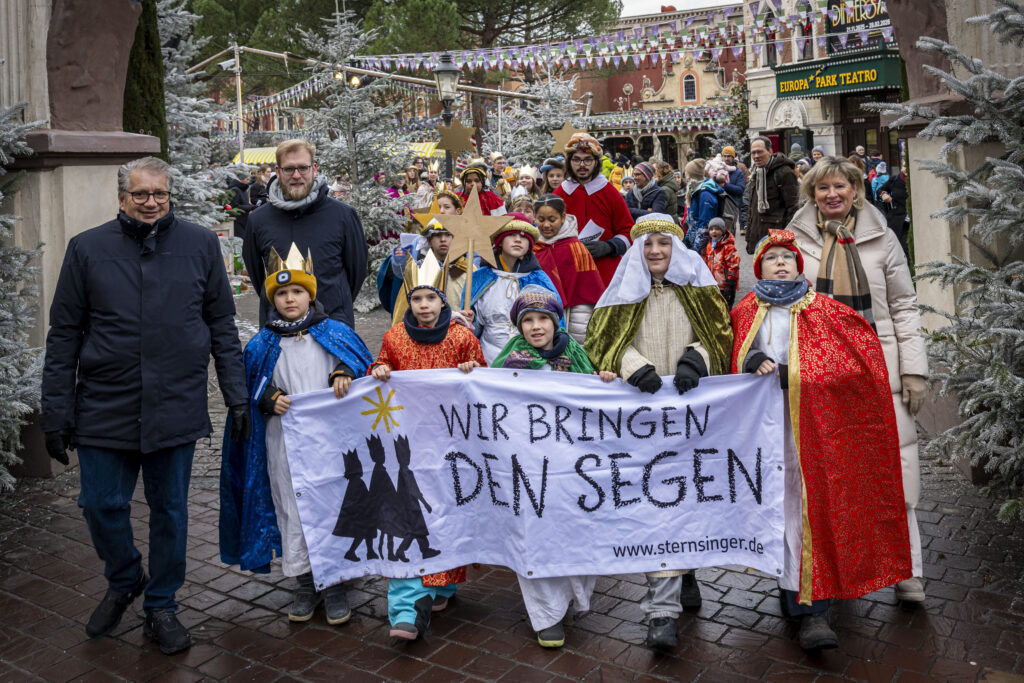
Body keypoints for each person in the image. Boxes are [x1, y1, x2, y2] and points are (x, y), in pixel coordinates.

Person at [41, 156, 249, 654]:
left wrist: (236, 395)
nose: (151, 202)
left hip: (174, 401)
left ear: (169, 195)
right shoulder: (87, 249)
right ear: (122, 198)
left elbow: (222, 323)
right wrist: (56, 411)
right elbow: (64, 334)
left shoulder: (200, 244)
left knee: (170, 512)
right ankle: (125, 575)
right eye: (140, 194)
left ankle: (161, 604)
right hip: (104, 404)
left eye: (159, 193)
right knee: (99, 503)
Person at [731, 230, 912, 650]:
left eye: (787, 258)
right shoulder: (745, 311)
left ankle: (813, 609)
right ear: (758, 267)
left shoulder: (825, 312)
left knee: (813, 509)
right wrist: (749, 358)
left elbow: (847, 369)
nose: (780, 263)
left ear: (799, 265)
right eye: (771, 258)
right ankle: (791, 592)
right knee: (780, 509)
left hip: (815, 432)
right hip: (764, 434)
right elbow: (730, 357)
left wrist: (792, 376)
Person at [584, 213, 733, 650]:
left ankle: (687, 572)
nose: (655, 252)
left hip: (691, 413)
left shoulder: (700, 291)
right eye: (647, 245)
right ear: (636, 250)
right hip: (642, 413)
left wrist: (697, 358)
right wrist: (634, 367)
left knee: (692, 495)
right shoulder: (621, 293)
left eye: (663, 245)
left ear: (676, 248)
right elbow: (602, 340)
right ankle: (662, 610)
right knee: (658, 502)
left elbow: (722, 336)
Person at [786, 157, 929, 603]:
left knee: (892, 470)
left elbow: (905, 305)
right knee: (823, 473)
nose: (832, 195)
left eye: (840, 187)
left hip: (877, 367)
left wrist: (914, 369)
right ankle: (825, 571)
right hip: (815, 372)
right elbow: (776, 303)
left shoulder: (883, 239)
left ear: (855, 190)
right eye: (823, 188)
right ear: (812, 193)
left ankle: (908, 568)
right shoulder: (793, 241)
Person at [220, 243, 372, 624]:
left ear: (310, 295)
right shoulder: (262, 343)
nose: (290, 299)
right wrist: (268, 397)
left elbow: (363, 367)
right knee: (293, 504)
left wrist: (345, 373)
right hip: (282, 441)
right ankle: (305, 581)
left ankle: (334, 582)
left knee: (333, 502)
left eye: (297, 292)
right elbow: (248, 387)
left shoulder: (334, 332)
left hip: (332, 442)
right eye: (283, 293)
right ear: (273, 299)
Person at [370, 260, 486, 641]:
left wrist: (473, 367)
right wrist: (380, 368)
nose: (423, 305)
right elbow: (382, 365)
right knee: (409, 514)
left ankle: (443, 583)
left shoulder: (461, 337)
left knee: (447, 511)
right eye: (416, 298)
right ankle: (406, 607)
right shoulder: (395, 338)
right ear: (408, 302)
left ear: (442, 301)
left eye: (430, 298)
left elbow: (483, 378)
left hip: (452, 443)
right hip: (408, 442)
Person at [489, 286, 612, 648]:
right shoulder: (508, 360)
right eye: (528, 320)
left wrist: (603, 382)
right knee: (535, 534)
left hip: (570, 466)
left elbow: (593, 405)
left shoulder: (576, 355)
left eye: (543, 318)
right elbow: (488, 400)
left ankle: (569, 595)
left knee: (573, 529)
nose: (536, 326)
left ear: (556, 322)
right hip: (527, 467)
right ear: (519, 326)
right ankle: (546, 614)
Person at [243, 139, 368, 327]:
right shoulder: (258, 220)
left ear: (314, 169)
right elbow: (257, 275)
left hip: (333, 327)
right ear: (278, 172)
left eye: (303, 168)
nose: (296, 175)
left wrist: (335, 303)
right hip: (278, 331)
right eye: (288, 169)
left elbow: (356, 272)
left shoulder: (343, 215)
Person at [467, 214, 562, 362]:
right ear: (499, 241)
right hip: (488, 356)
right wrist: (469, 321)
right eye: (511, 235)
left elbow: (555, 321)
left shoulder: (538, 279)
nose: (518, 239)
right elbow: (472, 326)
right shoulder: (480, 278)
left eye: (524, 237)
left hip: (529, 358)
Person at [554, 133, 634, 286]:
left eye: (588, 159)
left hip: (606, 274)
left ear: (596, 162)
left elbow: (628, 231)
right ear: (569, 162)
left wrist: (609, 246)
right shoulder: (559, 195)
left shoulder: (610, 193)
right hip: (569, 273)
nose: (582, 165)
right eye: (576, 159)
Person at [532, 194, 605, 343]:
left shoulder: (576, 247)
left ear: (563, 217)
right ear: (534, 218)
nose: (546, 225)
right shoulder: (533, 248)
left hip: (576, 316)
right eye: (541, 220)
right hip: (539, 313)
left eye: (552, 220)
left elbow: (587, 290)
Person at [745, 135, 800, 255]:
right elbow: (752, 208)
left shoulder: (784, 172)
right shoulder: (756, 173)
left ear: (770, 151)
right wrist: (749, 236)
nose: (756, 156)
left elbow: (794, 207)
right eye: (753, 153)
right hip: (759, 237)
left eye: (760, 152)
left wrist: (784, 238)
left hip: (777, 238)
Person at [701, 217, 740, 308]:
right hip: (712, 284)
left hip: (725, 285)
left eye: (717, 229)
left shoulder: (728, 247)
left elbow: (733, 266)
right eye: (711, 229)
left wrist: (731, 284)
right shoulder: (709, 245)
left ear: (723, 231)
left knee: (725, 308)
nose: (714, 231)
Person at [685, 171, 725, 255]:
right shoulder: (695, 191)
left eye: (687, 173)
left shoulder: (705, 194)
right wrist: (686, 241)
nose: (686, 177)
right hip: (695, 241)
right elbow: (693, 222)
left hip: (702, 247)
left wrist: (695, 250)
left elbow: (705, 227)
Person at [877, 162, 910, 260]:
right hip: (898, 220)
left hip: (915, 220)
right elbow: (880, 190)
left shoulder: (918, 179)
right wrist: (884, 195)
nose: (906, 168)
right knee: (901, 249)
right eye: (904, 166)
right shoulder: (895, 179)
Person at [720, 146, 747, 230]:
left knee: (730, 233)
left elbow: (740, 190)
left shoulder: (738, 173)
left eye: (729, 156)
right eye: (724, 156)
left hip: (732, 206)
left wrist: (725, 185)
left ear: (733, 157)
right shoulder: (718, 170)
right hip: (719, 205)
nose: (726, 158)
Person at [226, 170, 255, 241]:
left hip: (243, 220)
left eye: (249, 179)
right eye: (247, 179)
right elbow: (235, 207)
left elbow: (244, 203)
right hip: (237, 221)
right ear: (241, 180)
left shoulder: (243, 190)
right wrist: (250, 207)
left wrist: (252, 206)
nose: (248, 181)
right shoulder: (235, 189)